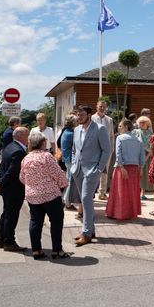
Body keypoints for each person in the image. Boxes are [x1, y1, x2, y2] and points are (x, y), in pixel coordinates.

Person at [19, 131, 69, 259]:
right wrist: (64, 185)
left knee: (35, 221)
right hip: (50, 195)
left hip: (33, 196)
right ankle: (57, 250)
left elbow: (22, 178)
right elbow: (58, 174)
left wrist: (32, 186)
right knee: (56, 222)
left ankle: (36, 250)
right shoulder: (46, 156)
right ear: (42, 143)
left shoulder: (26, 158)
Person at [71, 105, 111, 246]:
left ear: (89, 115)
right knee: (84, 201)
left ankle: (86, 233)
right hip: (78, 169)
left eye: (81, 114)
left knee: (87, 198)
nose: (79, 117)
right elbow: (75, 149)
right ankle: (91, 230)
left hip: (92, 170)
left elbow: (107, 150)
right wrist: (73, 165)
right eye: (77, 114)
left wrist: (98, 169)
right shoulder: (76, 130)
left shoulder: (100, 129)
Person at [0, 127, 29, 251]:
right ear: (20, 136)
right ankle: (9, 242)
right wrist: (0, 183)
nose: (29, 137)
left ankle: (2, 240)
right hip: (14, 189)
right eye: (27, 134)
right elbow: (12, 172)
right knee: (11, 216)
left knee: (6, 214)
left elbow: (1, 167)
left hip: (7, 188)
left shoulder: (9, 147)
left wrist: (0, 181)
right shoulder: (19, 151)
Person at [106, 119, 144, 220]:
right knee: (132, 192)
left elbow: (118, 154)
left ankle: (118, 213)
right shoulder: (138, 139)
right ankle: (131, 213)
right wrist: (141, 168)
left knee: (120, 192)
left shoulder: (120, 138)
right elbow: (142, 155)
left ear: (126, 127)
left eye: (120, 126)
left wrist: (121, 167)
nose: (118, 128)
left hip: (122, 167)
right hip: (134, 168)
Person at [92, 100, 115, 200]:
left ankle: (102, 192)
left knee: (104, 171)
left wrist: (112, 148)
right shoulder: (91, 118)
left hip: (106, 149)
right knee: (93, 170)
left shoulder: (109, 120)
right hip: (94, 149)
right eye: (100, 106)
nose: (102, 108)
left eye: (104, 107)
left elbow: (111, 135)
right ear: (96, 107)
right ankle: (92, 191)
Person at [60, 115, 79, 211]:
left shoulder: (66, 132)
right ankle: (67, 202)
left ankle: (64, 199)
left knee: (68, 179)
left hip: (67, 159)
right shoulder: (71, 133)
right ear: (72, 122)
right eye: (76, 121)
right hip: (70, 159)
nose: (78, 122)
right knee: (71, 180)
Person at [133, 116, 153, 199]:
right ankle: (135, 192)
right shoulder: (135, 132)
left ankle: (142, 193)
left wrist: (147, 156)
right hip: (136, 155)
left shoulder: (150, 133)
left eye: (143, 122)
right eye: (140, 122)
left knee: (144, 174)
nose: (141, 124)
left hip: (147, 155)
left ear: (147, 123)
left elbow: (152, 146)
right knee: (136, 173)